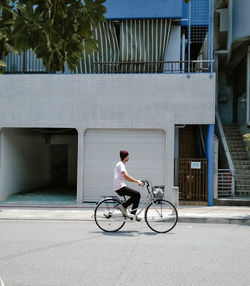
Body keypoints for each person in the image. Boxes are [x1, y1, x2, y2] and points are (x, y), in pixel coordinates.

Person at [113, 150, 144, 221]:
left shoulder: (121, 164)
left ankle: (133, 214)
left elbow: (126, 179)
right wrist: (137, 181)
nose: (129, 157)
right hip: (120, 187)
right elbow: (126, 176)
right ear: (125, 157)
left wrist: (137, 181)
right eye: (128, 156)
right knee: (137, 194)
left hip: (119, 186)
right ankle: (124, 207)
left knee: (136, 195)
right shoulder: (121, 164)